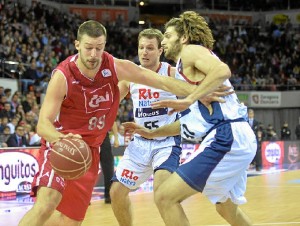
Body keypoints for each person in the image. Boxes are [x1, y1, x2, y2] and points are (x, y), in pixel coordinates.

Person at [18, 20, 203, 226]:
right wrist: (60, 139)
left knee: (70, 221)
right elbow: (43, 124)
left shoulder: (116, 67)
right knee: (47, 203)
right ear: (77, 45)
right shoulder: (63, 76)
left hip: (93, 151)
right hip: (63, 145)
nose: (94, 54)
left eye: (99, 48)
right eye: (88, 48)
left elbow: (159, 81)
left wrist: (203, 90)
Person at [123, 11, 257, 226]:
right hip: (235, 136)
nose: (163, 41)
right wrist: (152, 133)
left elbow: (223, 70)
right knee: (226, 208)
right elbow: (184, 124)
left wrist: (190, 98)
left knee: (165, 197)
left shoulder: (190, 51)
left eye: (167, 36)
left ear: (183, 37)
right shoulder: (185, 71)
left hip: (227, 135)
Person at [109, 28, 183, 226]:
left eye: (150, 48)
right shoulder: (131, 75)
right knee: (116, 192)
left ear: (160, 50)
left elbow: (195, 93)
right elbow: (109, 102)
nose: (144, 52)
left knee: (163, 193)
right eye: (141, 47)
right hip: (139, 145)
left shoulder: (172, 73)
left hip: (166, 144)